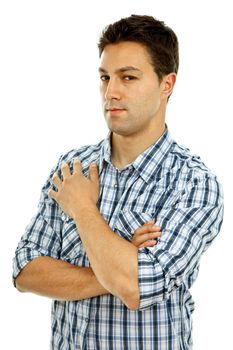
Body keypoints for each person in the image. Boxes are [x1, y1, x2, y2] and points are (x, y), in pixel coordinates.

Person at [13, 14, 224, 350]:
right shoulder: (73, 170)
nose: (110, 92)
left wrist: (83, 209)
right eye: (105, 77)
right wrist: (120, 264)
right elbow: (24, 271)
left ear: (166, 85)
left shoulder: (192, 183)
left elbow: (136, 289)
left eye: (128, 77)